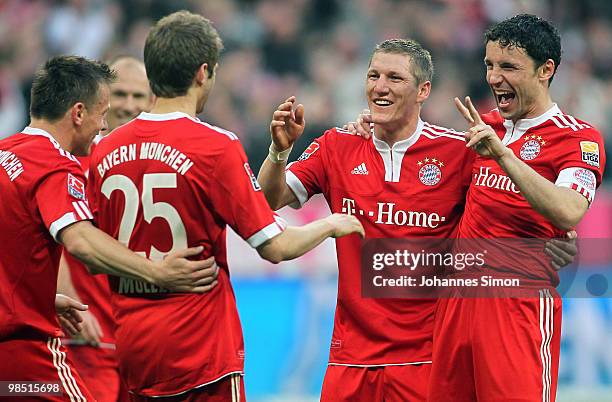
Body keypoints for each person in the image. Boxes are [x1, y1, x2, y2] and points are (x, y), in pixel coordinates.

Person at [86, 11, 364, 401]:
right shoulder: (215, 146)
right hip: (199, 350)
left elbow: (90, 251)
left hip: (133, 346)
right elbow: (275, 246)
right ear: (203, 73)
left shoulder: (104, 150)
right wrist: (332, 223)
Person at [258, 38, 475, 402]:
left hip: (427, 358)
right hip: (351, 358)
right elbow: (267, 200)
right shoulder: (337, 145)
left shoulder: (457, 153)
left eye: (394, 77)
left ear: (423, 90)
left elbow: (501, 219)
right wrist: (279, 151)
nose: (380, 86)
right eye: (373, 75)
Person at [0, 55, 218, 401]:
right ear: (78, 113)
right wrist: (158, 272)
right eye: (103, 113)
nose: (103, 126)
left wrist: (35, 297)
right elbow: (81, 241)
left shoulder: (6, 152)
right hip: (26, 351)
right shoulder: (55, 166)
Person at [425, 14, 606, 402]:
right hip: (457, 300)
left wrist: (503, 156)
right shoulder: (482, 129)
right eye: (489, 65)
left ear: (546, 70)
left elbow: (569, 210)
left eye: (509, 66)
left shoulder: (577, 139)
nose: (494, 77)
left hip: (517, 302)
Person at [57, 55, 154, 402]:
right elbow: (46, 234)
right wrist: (69, 297)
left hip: (142, 338)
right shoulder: (72, 160)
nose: (129, 105)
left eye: (138, 96)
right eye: (120, 95)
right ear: (102, 101)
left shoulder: (161, 166)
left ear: (152, 100)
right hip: (86, 334)